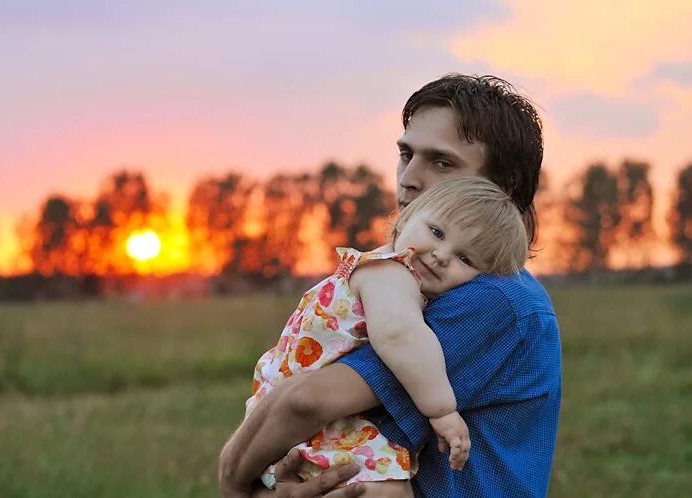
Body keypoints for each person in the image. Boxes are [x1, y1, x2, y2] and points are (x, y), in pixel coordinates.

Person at [219, 74, 562, 498]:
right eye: (406, 153)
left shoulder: (494, 299)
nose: (408, 178)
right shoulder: (421, 280)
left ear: (500, 192)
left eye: (442, 162)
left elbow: (304, 401)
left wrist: (235, 482)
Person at [245, 178, 528, 496]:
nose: (441, 256)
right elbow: (399, 335)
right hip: (315, 429)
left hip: (285, 421)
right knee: (389, 491)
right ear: (405, 218)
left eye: (466, 259)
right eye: (436, 232)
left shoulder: (380, 270)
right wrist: (442, 410)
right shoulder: (391, 273)